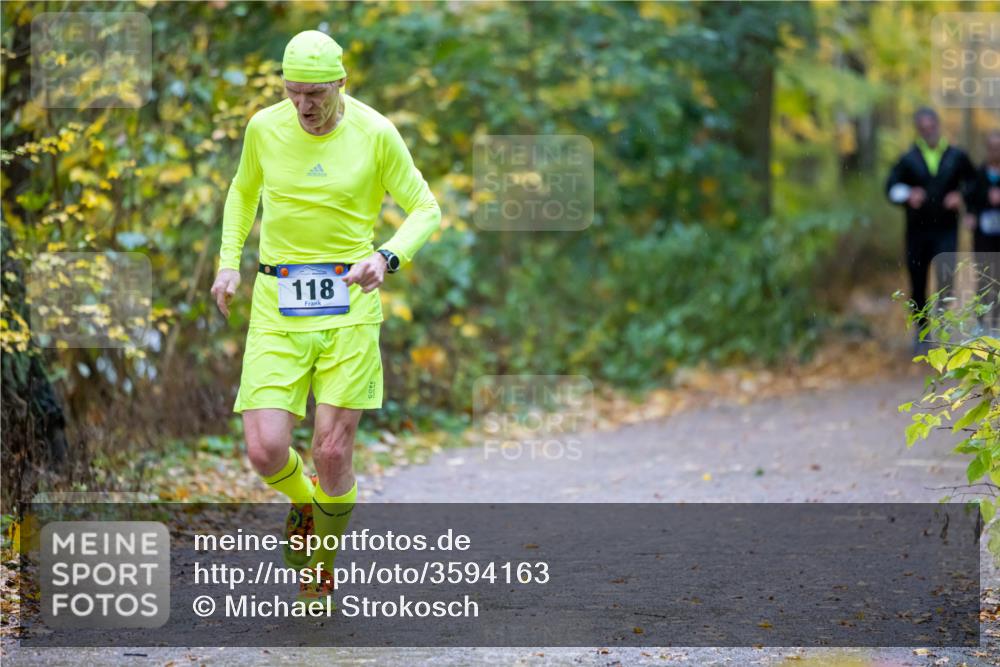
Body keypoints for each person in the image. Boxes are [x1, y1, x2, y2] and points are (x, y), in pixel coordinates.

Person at [209, 30, 441, 602]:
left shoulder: (376, 133)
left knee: (332, 450)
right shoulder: (264, 127)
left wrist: (386, 258)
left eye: (315, 93)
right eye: (293, 93)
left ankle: (322, 560)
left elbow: (425, 209)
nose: (304, 106)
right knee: (264, 450)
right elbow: (243, 194)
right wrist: (228, 264)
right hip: (276, 304)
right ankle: (307, 504)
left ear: (341, 84)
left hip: (350, 308)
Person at [885, 107, 975, 350]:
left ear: (938, 125)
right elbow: (891, 188)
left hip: (946, 229)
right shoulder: (908, 159)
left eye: (931, 127)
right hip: (917, 231)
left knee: (947, 277)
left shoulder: (956, 156)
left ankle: (944, 326)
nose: (928, 132)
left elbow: (975, 183)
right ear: (918, 130)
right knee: (917, 280)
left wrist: (961, 195)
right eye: (923, 129)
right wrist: (907, 195)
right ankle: (922, 330)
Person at [963, 130, 1000, 331]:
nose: (996, 152)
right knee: (985, 275)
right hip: (983, 235)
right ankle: (982, 323)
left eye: (999, 147)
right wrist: (970, 214)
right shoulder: (978, 173)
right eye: (992, 148)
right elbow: (969, 198)